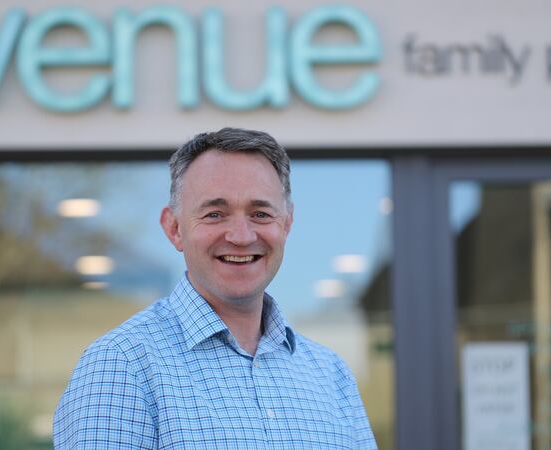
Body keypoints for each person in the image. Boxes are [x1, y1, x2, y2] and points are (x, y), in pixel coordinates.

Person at [53, 128, 377, 449]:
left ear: (287, 223)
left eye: (260, 213)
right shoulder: (121, 368)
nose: (241, 235)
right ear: (174, 228)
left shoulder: (331, 376)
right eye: (215, 214)